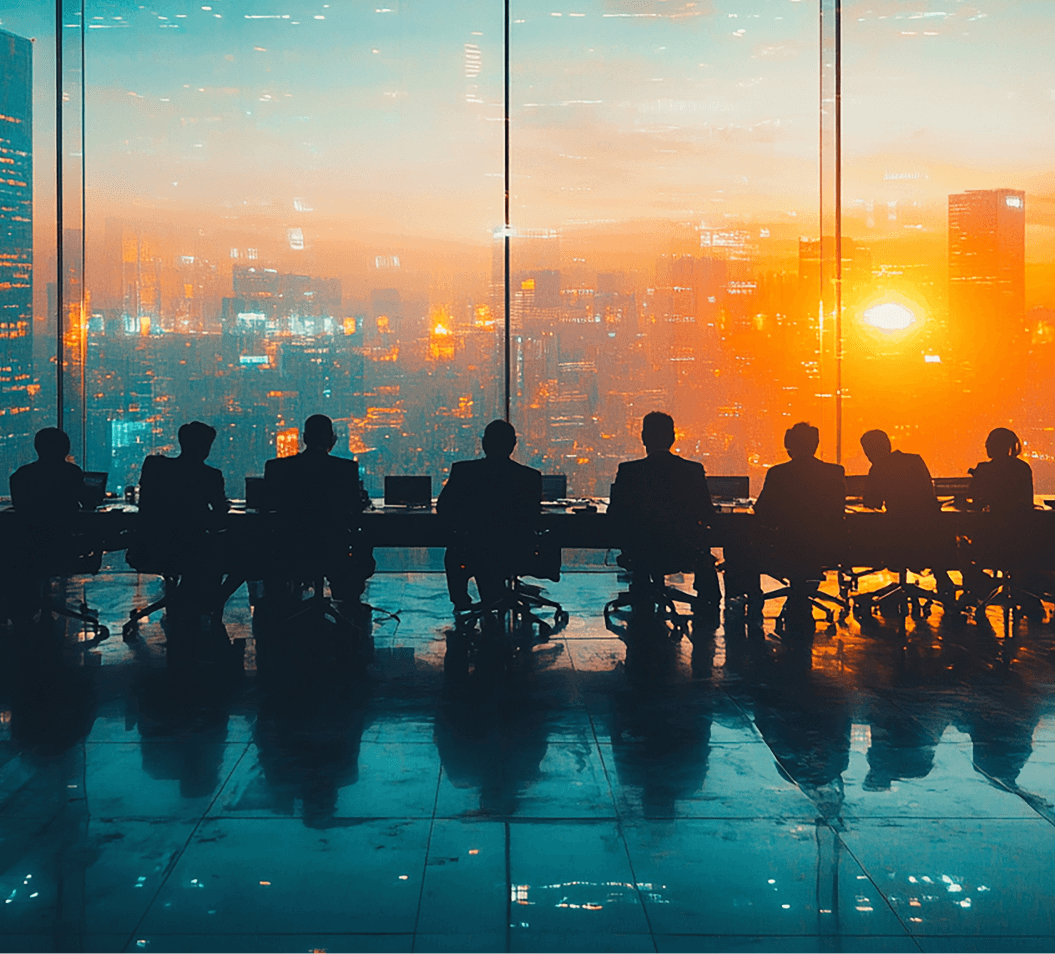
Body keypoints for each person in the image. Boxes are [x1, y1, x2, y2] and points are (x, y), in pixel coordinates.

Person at [726, 422, 845, 627]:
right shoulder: (835, 473)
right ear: (815, 444)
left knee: (738, 542)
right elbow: (837, 511)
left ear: (790, 445)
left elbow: (762, 513)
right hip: (824, 548)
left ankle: (750, 598)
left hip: (785, 549)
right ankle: (803, 592)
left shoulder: (779, 473)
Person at [607, 411, 720, 611]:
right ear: (673, 437)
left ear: (643, 438)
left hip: (641, 552)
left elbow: (615, 515)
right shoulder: (693, 471)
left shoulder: (629, 472)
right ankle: (708, 607)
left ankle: (643, 591)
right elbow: (706, 513)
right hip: (684, 551)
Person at [263, 414, 374, 602]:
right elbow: (354, 508)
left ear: (304, 438)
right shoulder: (345, 469)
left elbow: (267, 505)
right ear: (331, 439)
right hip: (333, 552)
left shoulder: (279, 468)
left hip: (290, 549)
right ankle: (348, 601)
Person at [437, 419, 542, 612]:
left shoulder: (464, 472)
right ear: (513, 445)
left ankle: (462, 602)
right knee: (493, 557)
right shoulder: (529, 477)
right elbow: (533, 518)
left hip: (471, 549)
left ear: (484, 443)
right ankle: (495, 597)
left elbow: (444, 508)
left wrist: (463, 529)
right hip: (516, 550)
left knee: (457, 553)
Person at [130, 420, 233, 611]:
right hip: (193, 551)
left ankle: (184, 601)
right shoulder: (210, 476)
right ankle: (211, 604)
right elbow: (218, 518)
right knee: (238, 553)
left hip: (150, 548)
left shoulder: (156, 467)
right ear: (206, 447)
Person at [859, 428, 955, 603]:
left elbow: (871, 504)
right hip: (928, 537)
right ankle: (943, 580)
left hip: (897, 540)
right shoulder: (915, 460)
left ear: (870, 451)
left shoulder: (879, 468)